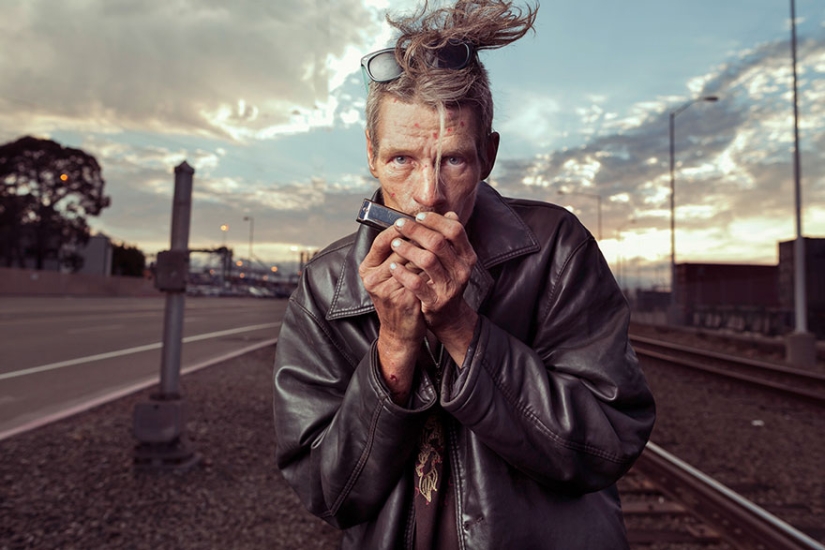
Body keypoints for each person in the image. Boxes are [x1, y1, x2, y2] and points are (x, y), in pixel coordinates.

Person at [273, 1, 656, 548]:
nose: (428, 193)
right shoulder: (325, 286)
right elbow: (330, 495)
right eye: (403, 159)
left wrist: (460, 327)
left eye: (453, 159)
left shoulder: (556, 250)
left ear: (488, 155)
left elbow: (607, 446)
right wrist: (393, 351)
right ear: (372, 156)